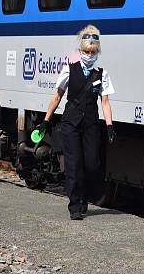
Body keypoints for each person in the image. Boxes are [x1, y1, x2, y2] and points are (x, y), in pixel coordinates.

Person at [34, 25, 117, 220]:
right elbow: (57, 97)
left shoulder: (101, 74)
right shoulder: (69, 70)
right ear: (81, 51)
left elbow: (105, 102)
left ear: (97, 52)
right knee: (74, 164)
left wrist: (110, 125)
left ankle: (84, 197)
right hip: (70, 124)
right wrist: (46, 121)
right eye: (87, 51)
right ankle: (75, 205)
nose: (90, 54)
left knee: (92, 164)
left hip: (91, 124)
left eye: (93, 52)